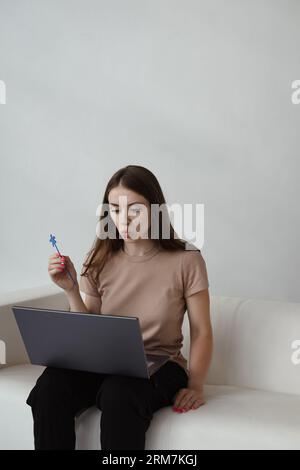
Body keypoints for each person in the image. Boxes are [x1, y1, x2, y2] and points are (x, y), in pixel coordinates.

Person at [26, 164, 213, 450]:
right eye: (115, 209)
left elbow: (201, 330)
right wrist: (72, 290)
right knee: (50, 387)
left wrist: (196, 385)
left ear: (155, 209)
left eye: (134, 210)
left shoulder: (186, 259)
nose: (123, 220)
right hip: (105, 362)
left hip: (161, 364)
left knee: (119, 392)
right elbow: (89, 327)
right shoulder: (99, 257)